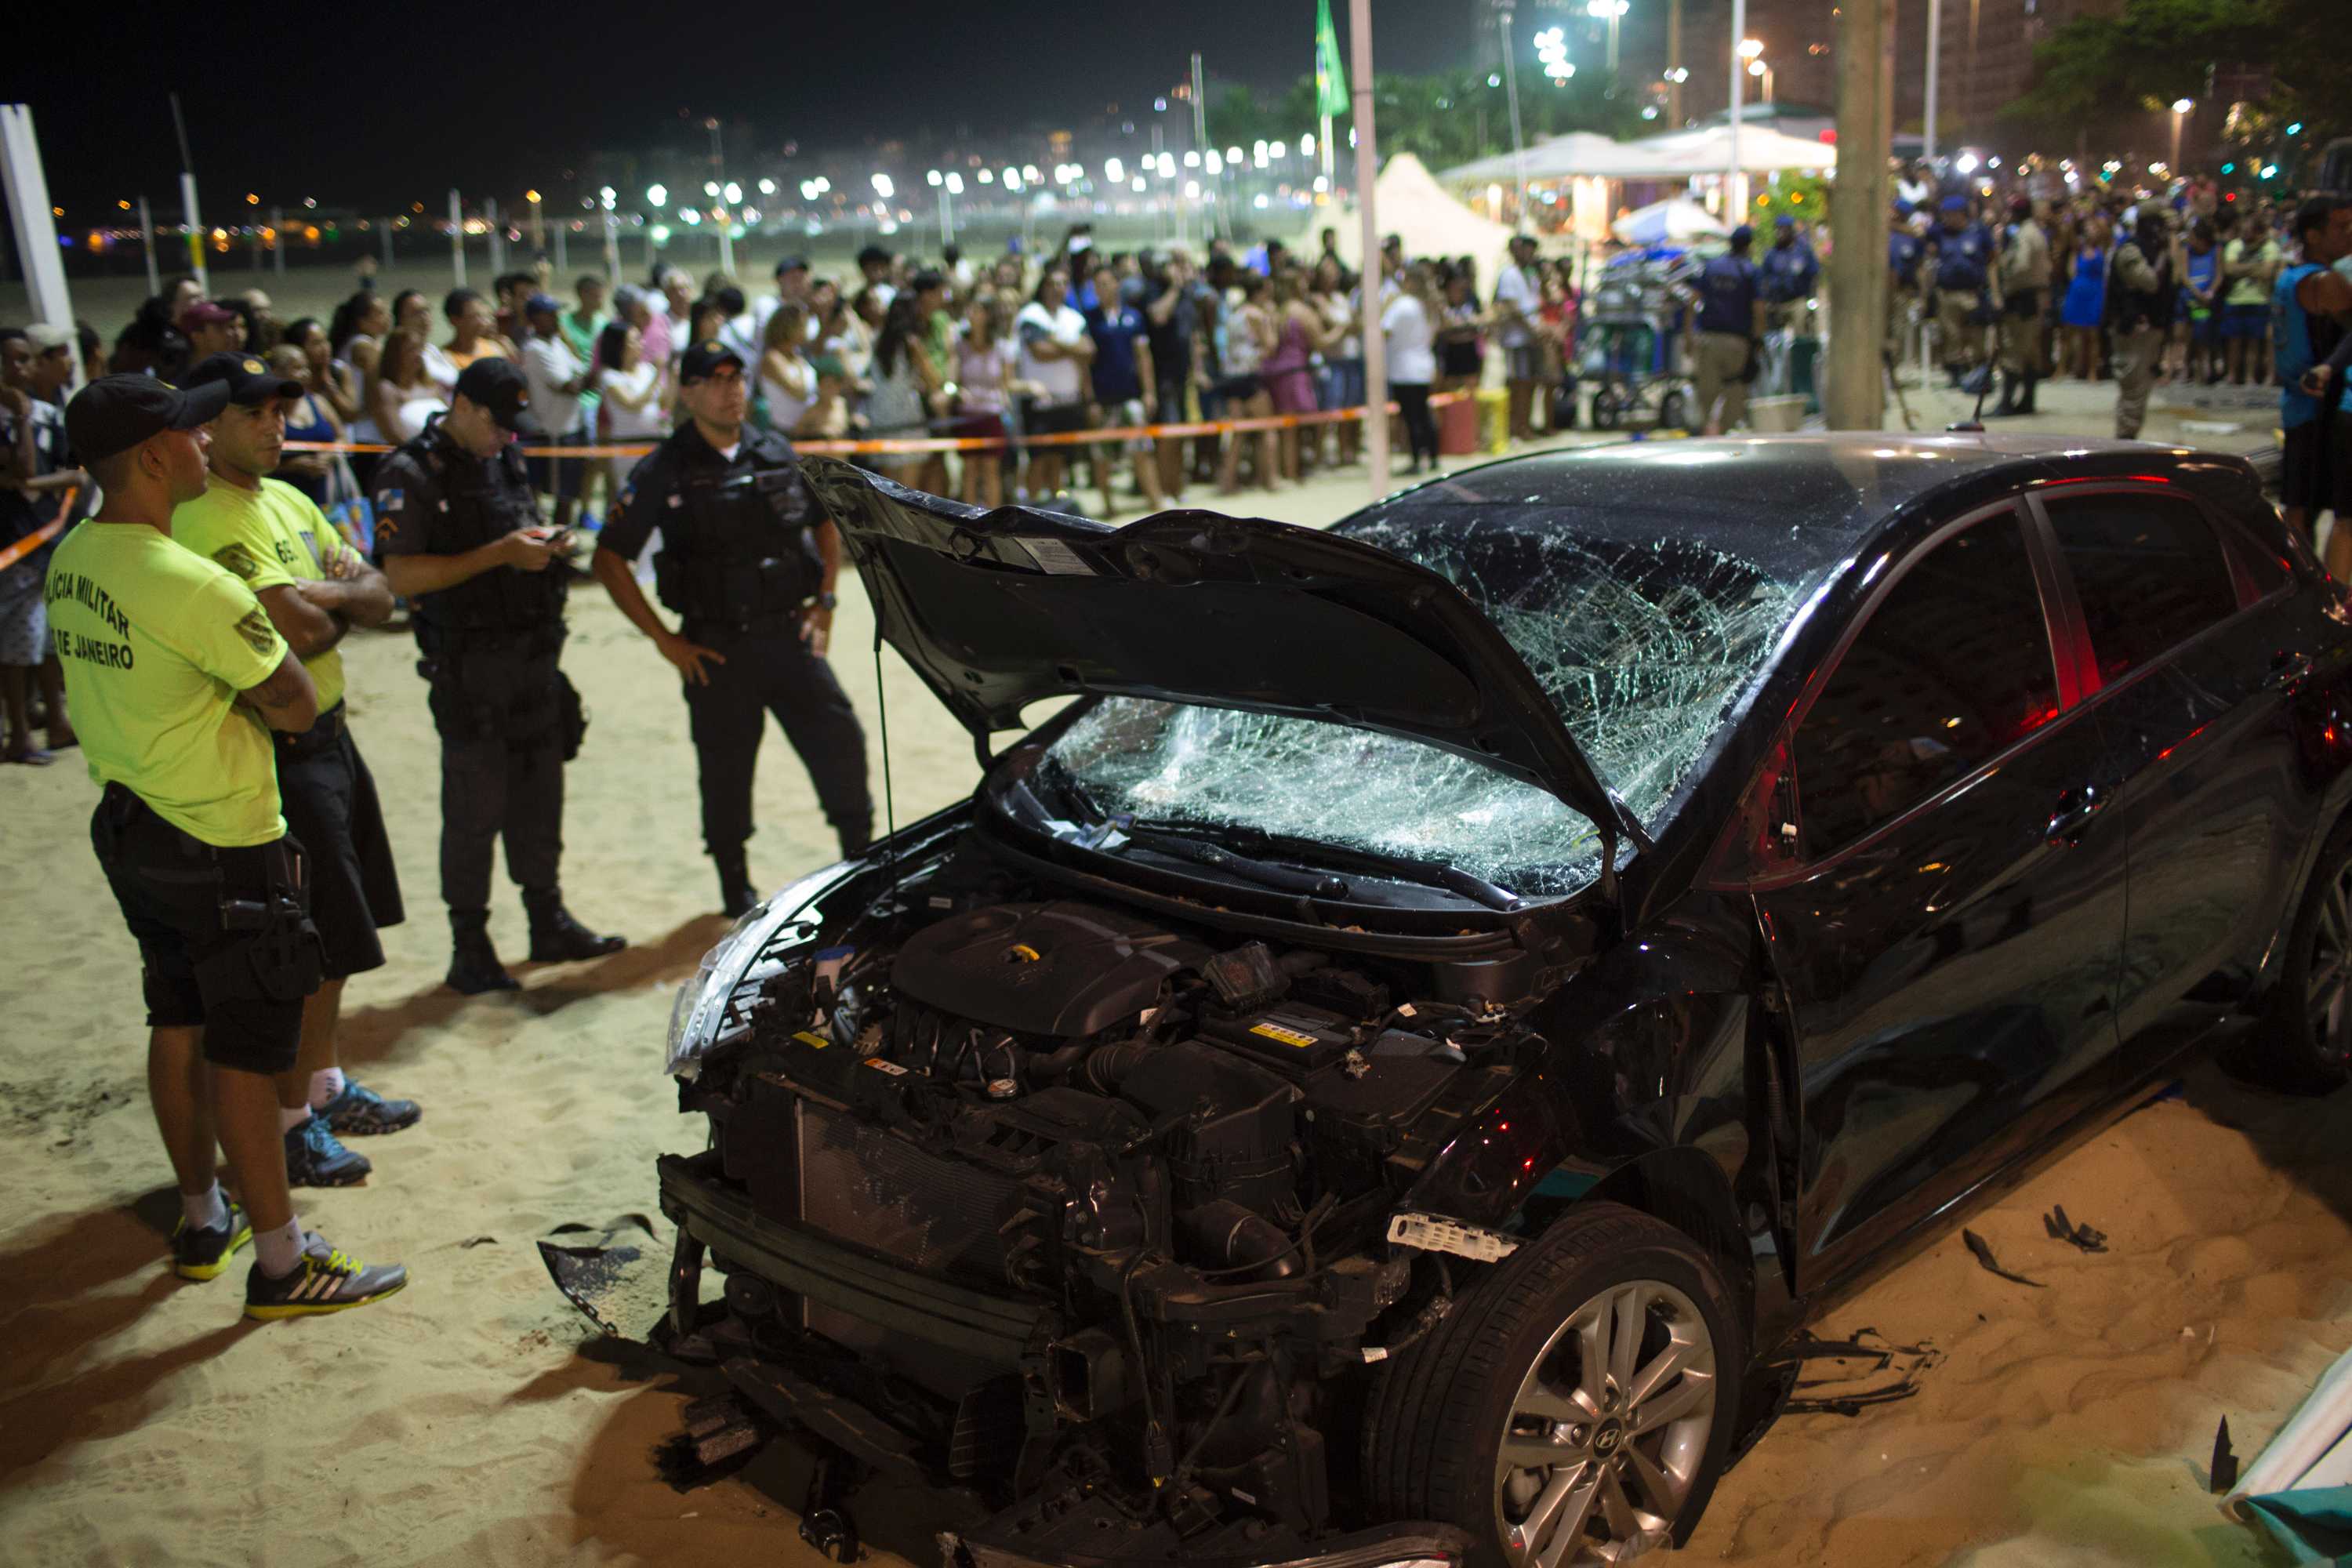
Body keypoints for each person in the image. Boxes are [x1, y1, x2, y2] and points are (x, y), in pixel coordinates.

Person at [56, 374, 407, 1316]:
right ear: (154, 455)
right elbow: (293, 694)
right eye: (188, 433)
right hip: (220, 834)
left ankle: (204, 1214)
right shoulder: (189, 580)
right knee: (249, 1052)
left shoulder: (77, 555)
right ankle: (286, 1262)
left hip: (132, 822)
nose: (205, 444)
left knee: (175, 1019)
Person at [174, 353, 418, 1186]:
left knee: (344, 934)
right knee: (303, 943)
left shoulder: (290, 497)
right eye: (260, 414)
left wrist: (329, 595)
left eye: (283, 410)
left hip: (331, 734)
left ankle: (322, 1084)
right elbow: (299, 632)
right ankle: (290, 1122)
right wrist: (335, 595)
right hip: (276, 745)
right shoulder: (206, 516)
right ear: (210, 426)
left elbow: (383, 596)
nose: (279, 426)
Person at [592, 341, 872, 916]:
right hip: (716, 645)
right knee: (724, 768)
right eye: (715, 379)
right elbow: (609, 558)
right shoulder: (666, 467)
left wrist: (825, 600)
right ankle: (733, 883)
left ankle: (860, 855)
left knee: (840, 741)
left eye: (737, 377)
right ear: (688, 392)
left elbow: (824, 523)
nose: (731, 389)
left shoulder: (774, 450)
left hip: (789, 633)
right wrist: (665, 641)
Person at [369, 358, 623, 992]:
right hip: (469, 668)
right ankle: (471, 944)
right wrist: (502, 554)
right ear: (463, 406)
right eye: (497, 422)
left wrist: (539, 545)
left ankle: (548, 919)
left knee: (541, 797)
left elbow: (509, 533)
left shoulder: (502, 458)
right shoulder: (411, 471)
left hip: (532, 660)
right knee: (475, 808)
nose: (508, 436)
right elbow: (401, 577)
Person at [1, 331, 80, 763]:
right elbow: (26, 463)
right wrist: (19, 418)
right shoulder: (23, 417)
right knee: (18, 645)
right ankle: (19, 734)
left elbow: (73, 473)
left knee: (49, 638)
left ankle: (57, 720)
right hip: (12, 545)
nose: (19, 370)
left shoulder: (52, 415)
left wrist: (26, 484)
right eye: (11, 361)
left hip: (49, 538)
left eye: (25, 360)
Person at [2274, 196, 2352, 554]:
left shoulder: (2290, 276)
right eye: (2341, 227)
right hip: (2316, 410)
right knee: (2310, 510)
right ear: (2313, 235)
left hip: (2299, 404)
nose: (2349, 234)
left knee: (2302, 505)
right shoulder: (2322, 283)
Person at [1081, 269, 1162, 517]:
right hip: (1103, 398)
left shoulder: (1133, 317)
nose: (1102, 288)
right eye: (1098, 285)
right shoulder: (1090, 320)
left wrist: (1149, 392)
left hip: (1130, 396)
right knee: (1102, 456)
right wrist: (1090, 399)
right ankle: (1108, 505)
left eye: (1106, 283)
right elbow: (1084, 363)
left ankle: (1155, 500)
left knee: (1141, 449)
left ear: (1117, 285)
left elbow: (1143, 357)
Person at [1015, 268, 1093, 500]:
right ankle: (1031, 507)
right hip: (1038, 401)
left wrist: (1054, 339)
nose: (1057, 289)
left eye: (1062, 284)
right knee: (1038, 458)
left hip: (1068, 398)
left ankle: (1054, 509)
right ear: (1043, 287)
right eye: (1052, 284)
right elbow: (1040, 352)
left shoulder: (1074, 317)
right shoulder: (1031, 315)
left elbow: (1088, 351)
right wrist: (1072, 348)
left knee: (1059, 457)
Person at [517, 293, 592, 532]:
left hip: (571, 427)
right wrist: (596, 373)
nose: (555, 318)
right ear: (535, 319)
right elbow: (569, 386)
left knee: (569, 493)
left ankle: (561, 546)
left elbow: (580, 369)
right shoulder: (534, 349)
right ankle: (553, 549)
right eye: (549, 314)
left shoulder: (557, 343)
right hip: (554, 431)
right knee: (557, 495)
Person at [1686, 223, 1765, 436]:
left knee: (1705, 396)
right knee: (1735, 392)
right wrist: (1758, 340)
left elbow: (1692, 302)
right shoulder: (1750, 271)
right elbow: (1758, 309)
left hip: (1708, 339)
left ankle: (1702, 437)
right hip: (1737, 343)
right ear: (1749, 246)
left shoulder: (1712, 267)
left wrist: (1688, 336)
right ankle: (1723, 435)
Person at [862, 296, 945, 486]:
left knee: (888, 492)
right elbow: (934, 381)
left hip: (882, 419)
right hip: (907, 422)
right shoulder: (912, 343)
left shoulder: (877, 340)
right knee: (908, 492)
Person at [2107, 209, 2174, 441]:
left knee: (2139, 391)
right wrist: (2166, 254)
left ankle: (2127, 439)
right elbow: (2150, 282)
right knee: (2133, 391)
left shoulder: (2152, 251)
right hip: (2133, 330)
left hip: (2150, 331)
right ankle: (2123, 443)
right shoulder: (2131, 251)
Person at [1924, 195, 1996, 387]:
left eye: (1951, 215)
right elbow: (1922, 239)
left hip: (1972, 292)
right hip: (1947, 293)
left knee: (1977, 335)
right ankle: (1956, 374)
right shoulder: (1939, 233)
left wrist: (1994, 292)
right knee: (1951, 335)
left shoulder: (1978, 232)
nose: (1947, 219)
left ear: (1962, 215)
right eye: (1945, 215)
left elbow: (1991, 259)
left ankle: (1980, 374)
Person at [953, 294, 1014, 507]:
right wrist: (956, 391)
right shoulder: (960, 344)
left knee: (991, 470)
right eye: (970, 310)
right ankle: (968, 517)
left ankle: (992, 518)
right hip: (968, 416)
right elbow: (951, 381)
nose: (971, 315)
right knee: (969, 470)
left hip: (992, 415)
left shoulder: (1001, 346)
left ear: (987, 315)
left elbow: (1007, 384)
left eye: (977, 310)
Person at [1991, 196, 2051, 417]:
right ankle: (2027, 400)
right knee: (2030, 352)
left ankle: (2007, 402)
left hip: (2022, 298)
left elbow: (2022, 265)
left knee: (2014, 350)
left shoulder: (2024, 235)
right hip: (2033, 297)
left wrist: (2006, 281)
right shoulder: (2035, 232)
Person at [596, 320, 669, 495]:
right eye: (634, 340)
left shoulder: (647, 370)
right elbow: (633, 404)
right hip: (628, 448)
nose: (641, 344)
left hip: (654, 444)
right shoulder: (609, 376)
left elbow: (664, 404)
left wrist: (671, 376)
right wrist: (658, 374)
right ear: (620, 346)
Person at [1383, 261, 1441, 474]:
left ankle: (1417, 459)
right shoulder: (1428, 307)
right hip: (1423, 365)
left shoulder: (1402, 305)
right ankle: (1433, 456)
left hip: (1404, 368)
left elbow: (1385, 330)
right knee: (1424, 414)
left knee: (1411, 417)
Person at [1492, 234, 1544, 441]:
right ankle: (1516, 427)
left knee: (1530, 382)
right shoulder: (1509, 274)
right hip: (1516, 338)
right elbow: (1512, 306)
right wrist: (1532, 328)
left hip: (1530, 336)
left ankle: (1525, 424)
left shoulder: (1530, 274)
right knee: (1518, 383)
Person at [2223, 210, 2282, 386]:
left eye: (2249, 230)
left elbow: (2267, 273)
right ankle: (2232, 375)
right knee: (2234, 341)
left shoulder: (2270, 247)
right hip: (2235, 299)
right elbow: (2229, 269)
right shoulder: (2234, 245)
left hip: (2260, 300)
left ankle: (2250, 376)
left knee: (2254, 342)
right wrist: (2255, 267)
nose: (2245, 233)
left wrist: (2241, 268)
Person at [369, 328, 448, 446]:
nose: (418, 355)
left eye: (420, 349)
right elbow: (394, 436)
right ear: (395, 355)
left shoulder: (434, 386)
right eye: (411, 350)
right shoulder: (388, 389)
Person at [2059, 214, 2110, 380]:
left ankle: (2092, 371)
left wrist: (2096, 221)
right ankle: (2061, 368)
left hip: (2095, 292)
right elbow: (2071, 271)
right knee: (2067, 332)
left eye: (2093, 228)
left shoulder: (2103, 248)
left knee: (2093, 334)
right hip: (2077, 291)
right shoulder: (2078, 249)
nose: (2090, 231)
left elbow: (2106, 233)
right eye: (2088, 228)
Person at [2181, 216, 2225, 387]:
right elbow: (2184, 274)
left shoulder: (2217, 249)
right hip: (2191, 298)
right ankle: (2194, 370)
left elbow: (2219, 274)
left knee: (2206, 335)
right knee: (2191, 335)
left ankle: (2208, 369)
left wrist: (2210, 292)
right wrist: (2197, 293)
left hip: (2209, 299)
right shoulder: (2187, 250)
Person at [1759, 215, 1821, 332]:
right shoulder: (1771, 254)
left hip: (1797, 300)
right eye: (1778, 229)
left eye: (1784, 229)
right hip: (1777, 303)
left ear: (1791, 231)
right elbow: (1764, 278)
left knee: (1801, 333)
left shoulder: (1803, 252)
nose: (1780, 233)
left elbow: (1813, 274)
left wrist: (1812, 300)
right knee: (1773, 337)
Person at [1886, 201, 1926, 365]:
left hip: (1902, 291)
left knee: (1898, 329)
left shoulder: (1912, 238)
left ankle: (1893, 365)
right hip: (1881, 290)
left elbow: (1920, 266)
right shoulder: (1883, 233)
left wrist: (1922, 294)